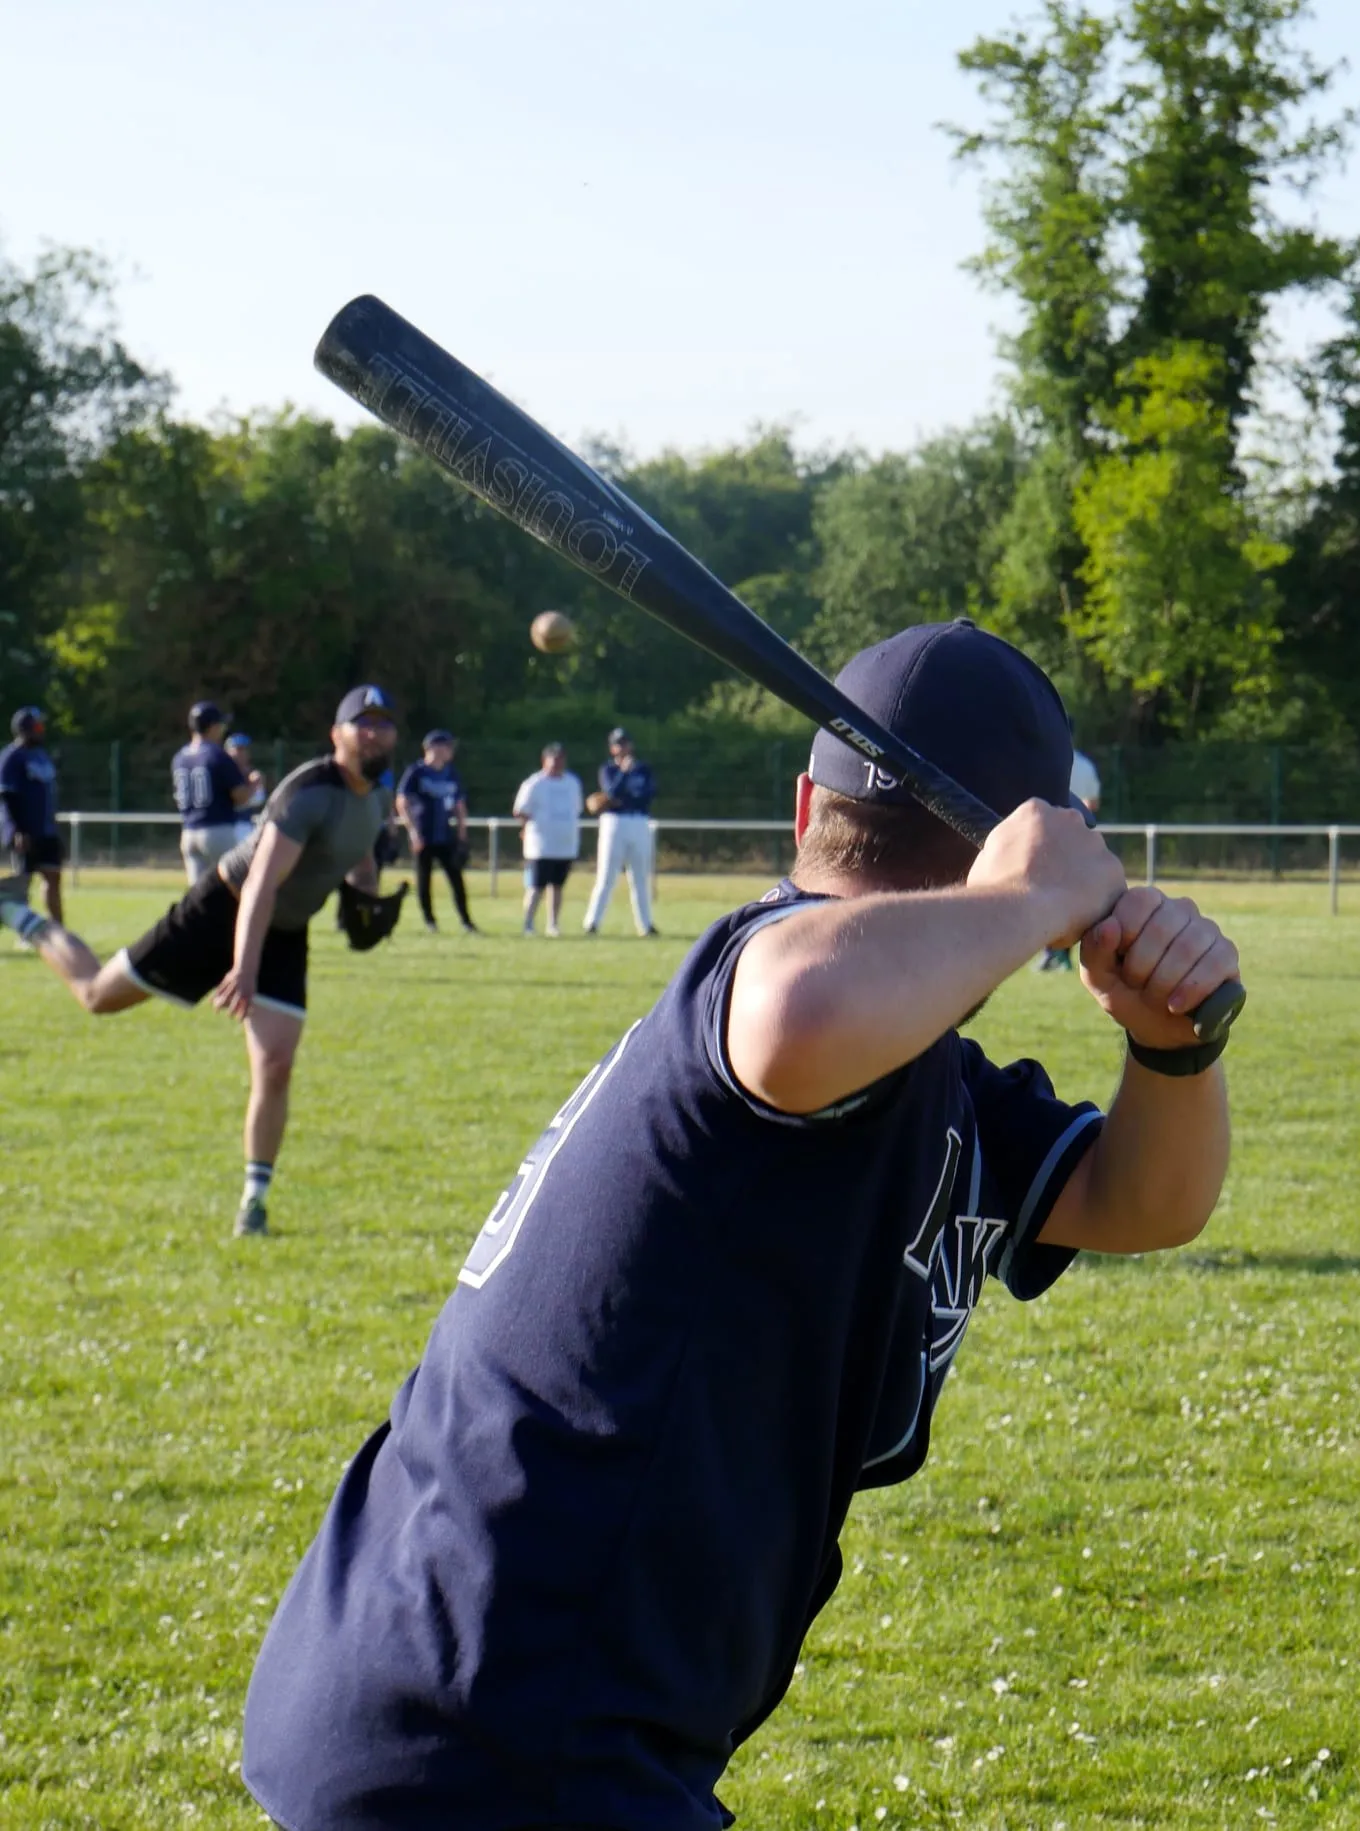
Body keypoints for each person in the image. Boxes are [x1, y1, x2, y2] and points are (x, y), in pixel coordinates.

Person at [239, 621, 1240, 1831]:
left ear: (804, 797)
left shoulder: (930, 1076)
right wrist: (1028, 898)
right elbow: (794, 1012)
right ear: (1026, 837)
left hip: (483, 1694)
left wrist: (1171, 1047)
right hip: (502, 1724)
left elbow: (1143, 1200)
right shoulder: (766, 977)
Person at [0, 685, 399, 1238]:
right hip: (222, 910)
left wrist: (366, 898)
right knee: (96, 995)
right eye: (363, 723)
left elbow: (356, 852)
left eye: (384, 723)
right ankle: (22, 916)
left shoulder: (378, 797)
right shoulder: (308, 791)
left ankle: (253, 1203)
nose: (375, 732)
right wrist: (244, 967)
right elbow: (259, 883)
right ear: (338, 734)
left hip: (283, 933)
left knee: (275, 1067)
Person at [173, 702, 264, 883]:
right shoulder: (217, 755)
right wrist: (254, 786)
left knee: (198, 897)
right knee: (239, 888)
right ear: (212, 726)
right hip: (217, 831)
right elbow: (241, 797)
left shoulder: (180, 757)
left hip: (188, 832)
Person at [397, 730, 477, 935]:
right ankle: (430, 922)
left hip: (445, 834)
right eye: (447, 746)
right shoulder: (416, 772)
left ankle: (467, 922)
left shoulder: (451, 773)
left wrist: (462, 832)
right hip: (424, 833)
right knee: (424, 880)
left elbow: (459, 805)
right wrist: (413, 831)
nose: (451, 751)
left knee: (456, 879)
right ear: (433, 748)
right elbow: (402, 802)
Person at [582, 726, 658, 936]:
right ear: (612, 748)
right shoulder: (608, 769)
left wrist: (623, 796)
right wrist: (624, 774)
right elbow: (610, 792)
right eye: (618, 744)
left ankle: (645, 925)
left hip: (639, 821)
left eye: (625, 743)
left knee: (640, 877)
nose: (622, 747)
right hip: (614, 822)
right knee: (606, 875)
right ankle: (592, 923)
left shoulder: (643, 769)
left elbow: (648, 795)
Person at [1038, 742, 1104, 971]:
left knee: (1046, 893)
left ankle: (1050, 953)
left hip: (1047, 835)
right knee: (1074, 895)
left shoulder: (1045, 759)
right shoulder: (1085, 765)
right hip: (1077, 837)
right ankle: (1064, 955)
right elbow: (1092, 803)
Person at [0, 707, 64, 929]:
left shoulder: (41, 756)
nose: (41, 730)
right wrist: (17, 830)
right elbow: (7, 796)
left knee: (53, 878)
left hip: (46, 831)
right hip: (25, 833)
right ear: (24, 729)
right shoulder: (11, 757)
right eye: (37, 726)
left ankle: (58, 929)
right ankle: (24, 932)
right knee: (22, 884)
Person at [512, 742, 584, 936]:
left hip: (564, 844)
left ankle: (553, 924)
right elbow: (521, 810)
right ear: (544, 761)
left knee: (557, 886)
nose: (557, 764)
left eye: (561, 759)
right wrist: (525, 830)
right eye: (554, 759)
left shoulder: (572, 782)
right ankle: (528, 923)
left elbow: (576, 809)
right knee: (536, 886)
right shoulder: (534, 783)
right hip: (541, 844)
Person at [225, 732, 268, 844]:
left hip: (245, 825)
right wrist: (253, 787)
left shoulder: (252, 774)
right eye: (238, 749)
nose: (242, 753)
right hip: (225, 826)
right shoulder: (223, 772)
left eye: (244, 749)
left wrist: (259, 786)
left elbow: (258, 800)